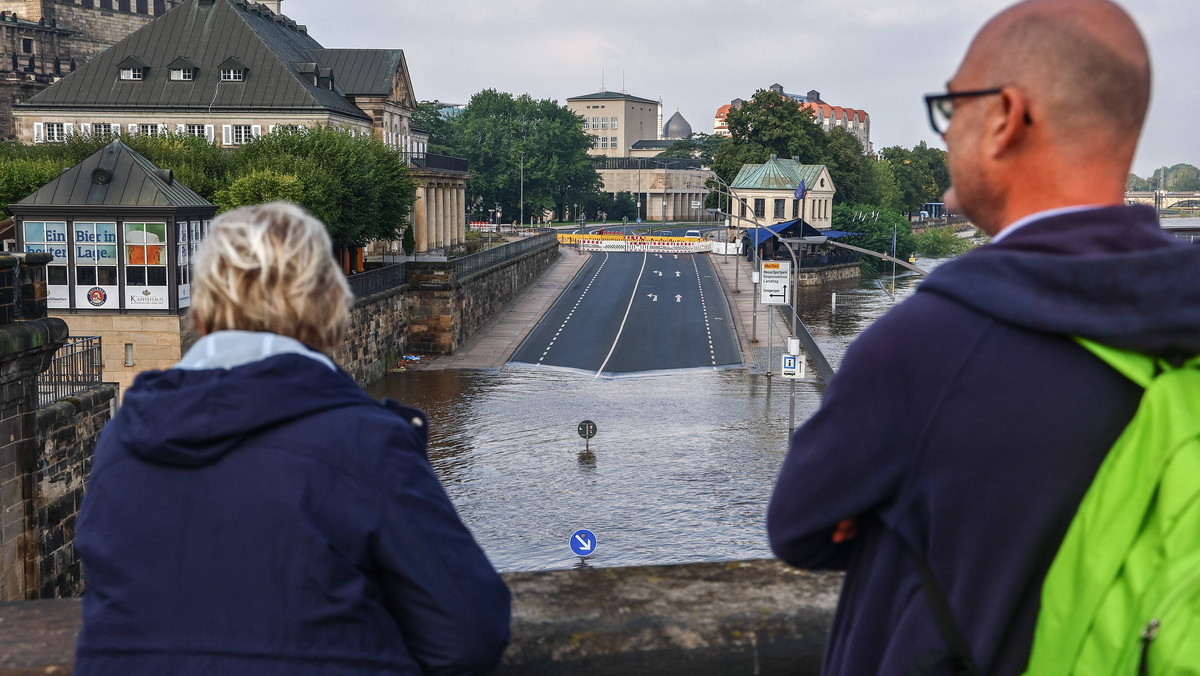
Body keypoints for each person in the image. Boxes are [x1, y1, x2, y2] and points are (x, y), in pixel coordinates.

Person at [767, 1, 1200, 674]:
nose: (944, 135)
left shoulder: (930, 344)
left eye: (952, 106)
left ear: (1006, 118)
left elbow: (799, 527)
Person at [75, 202, 511, 675]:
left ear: (200, 312)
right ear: (330, 310)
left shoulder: (122, 440)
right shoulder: (363, 441)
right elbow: (469, 631)